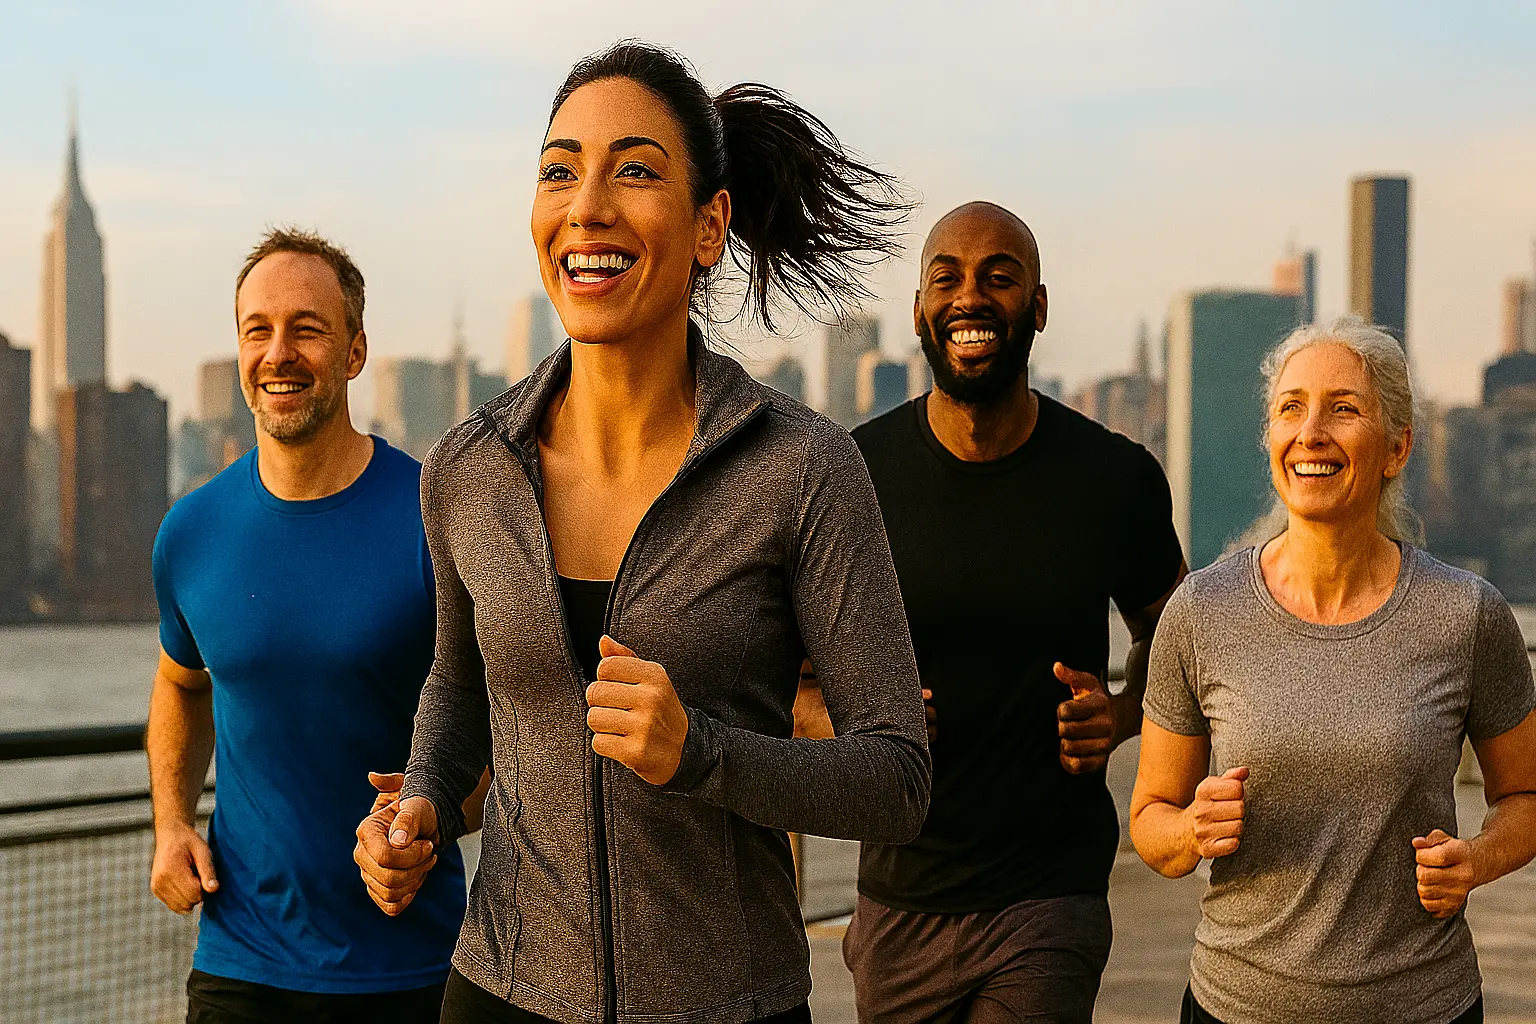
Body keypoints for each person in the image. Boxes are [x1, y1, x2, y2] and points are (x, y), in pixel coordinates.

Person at [352, 41, 931, 1024]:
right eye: (559, 170)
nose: (586, 206)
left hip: (727, 1005)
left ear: (709, 226)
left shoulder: (803, 468)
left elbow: (897, 779)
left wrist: (699, 751)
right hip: (499, 991)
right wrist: (421, 806)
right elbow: (458, 687)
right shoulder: (468, 467)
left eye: (635, 170)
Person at [805, 201, 1187, 1023]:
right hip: (899, 897)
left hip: (1048, 894)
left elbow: (1181, 636)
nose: (971, 297)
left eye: (999, 278)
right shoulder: (853, 474)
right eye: (947, 279)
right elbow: (785, 672)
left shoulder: (1113, 478)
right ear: (920, 311)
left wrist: (1122, 713)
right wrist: (851, 724)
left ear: (1037, 307)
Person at [1130, 315, 1536, 1024]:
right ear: (1271, 439)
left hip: (1424, 1007)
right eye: (1291, 408)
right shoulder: (1201, 610)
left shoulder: (1465, 613)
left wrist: (1476, 860)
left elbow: (1526, 796)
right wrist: (1191, 829)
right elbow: (1150, 820)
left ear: (1397, 448)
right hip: (1234, 1008)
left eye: (1343, 409)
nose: (1311, 432)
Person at [148, 229, 485, 1022]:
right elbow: (179, 685)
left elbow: (507, 734)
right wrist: (171, 824)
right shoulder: (191, 532)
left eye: (307, 329)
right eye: (257, 330)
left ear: (355, 351)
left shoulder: (435, 519)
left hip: (410, 969)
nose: (279, 353)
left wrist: (433, 823)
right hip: (237, 965)